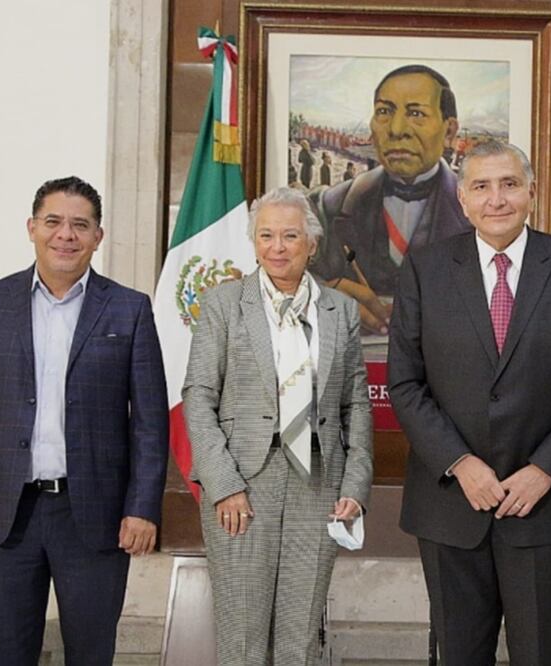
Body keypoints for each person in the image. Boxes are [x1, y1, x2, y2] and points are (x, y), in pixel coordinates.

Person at [388, 141, 551, 665]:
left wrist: (545, 470)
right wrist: (460, 463)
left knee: (538, 655)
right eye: (482, 187)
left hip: (541, 505)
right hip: (450, 503)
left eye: (510, 184)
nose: (498, 199)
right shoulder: (424, 269)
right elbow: (405, 382)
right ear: (462, 199)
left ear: (532, 192)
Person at [0, 176, 169, 665]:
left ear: (97, 237)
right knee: (7, 653)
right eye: (54, 222)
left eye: (80, 225)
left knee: (90, 654)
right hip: (5, 513)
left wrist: (143, 507)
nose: (66, 234)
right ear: (31, 228)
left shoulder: (129, 310)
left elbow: (150, 423)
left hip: (96, 516)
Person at [183, 186, 373, 664]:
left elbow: (355, 403)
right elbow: (198, 398)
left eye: (290, 235)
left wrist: (355, 484)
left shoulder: (340, 310)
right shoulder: (224, 305)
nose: (278, 247)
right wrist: (224, 485)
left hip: (318, 488)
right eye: (266, 235)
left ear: (312, 242)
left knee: (300, 638)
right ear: (253, 241)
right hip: (242, 489)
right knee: (242, 638)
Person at [311, 64, 472, 334]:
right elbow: (283, 281)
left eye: (416, 113)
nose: (397, 129)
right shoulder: (329, 206)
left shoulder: (481, 212)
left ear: (449, 132)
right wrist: (322, 295)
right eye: (384, 112)